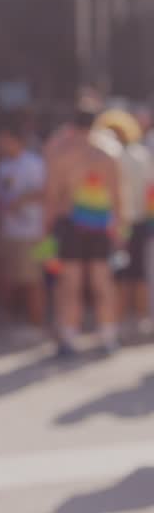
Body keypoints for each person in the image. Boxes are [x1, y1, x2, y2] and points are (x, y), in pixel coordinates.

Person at [44, 99, 123, 356]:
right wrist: (120, 229)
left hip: (70, 223)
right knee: (102, 281)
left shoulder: (61, 153)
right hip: (100, 223)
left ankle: (69, 337)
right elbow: (117, 196)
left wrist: (45, 233)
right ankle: (108, 336)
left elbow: (52, 197)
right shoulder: (108, 153)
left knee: (71, 284)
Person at [93, 108, 154, 339]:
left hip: (115, 222)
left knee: (117, 275)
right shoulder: (143, 155)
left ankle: (116, 322)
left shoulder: (110, 156)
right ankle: (140, 319)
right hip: (140, 221)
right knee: (137, 273)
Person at [0, 117, 46, 333]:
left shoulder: (34, 163)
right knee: (7, 277)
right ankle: (10, 320)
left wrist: (19, 201)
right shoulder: (2, 166)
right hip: (8, 231)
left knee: (34, 279)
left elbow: (44, 192)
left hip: (33, 232)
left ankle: (37, 322)